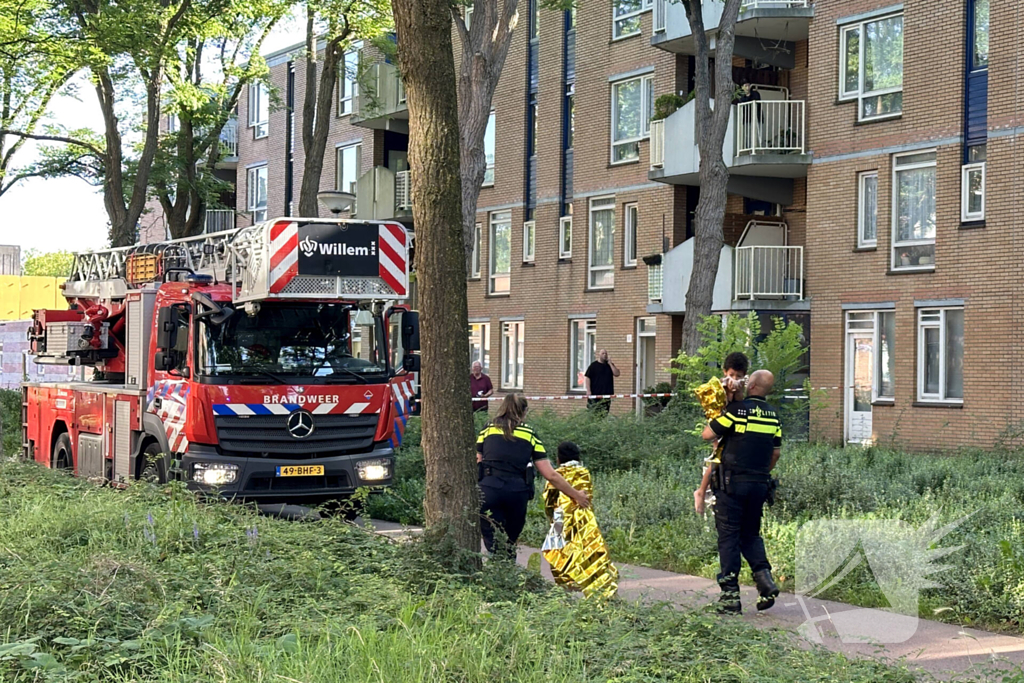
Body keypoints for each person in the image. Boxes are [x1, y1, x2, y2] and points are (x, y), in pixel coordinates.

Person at [702, 369, 782, 614]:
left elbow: (708, 434)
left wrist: (724, 404)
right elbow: (776, 452)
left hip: (732, 485)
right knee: (750, 533)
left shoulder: (737, 412)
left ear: (753, 385)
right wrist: (760, 473)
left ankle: (730, 597)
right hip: (759, 485)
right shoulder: (773, 416)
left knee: (728, 538)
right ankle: (764, 579)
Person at [477, 394, 591, 558]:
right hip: (516, 492)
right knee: (510, 541)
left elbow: (477, 461)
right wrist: (577, 495)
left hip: (489, 489)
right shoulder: (529, 433)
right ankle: (507, 572)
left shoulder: (487, 429)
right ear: (524, 412)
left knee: (492, 540)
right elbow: (550, 474)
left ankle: (496, 572)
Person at [541, 441, 618, 600]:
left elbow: (549, 500)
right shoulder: (584, 472)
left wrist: (551, 517)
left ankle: (564, 591)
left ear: (558, 459)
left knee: (560, 554)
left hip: (560, 520)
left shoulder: (556, 475)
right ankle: (597, 591)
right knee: (590, 553)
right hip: (585, 520)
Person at [694, 352, 749, 515]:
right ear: (725, 371)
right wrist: (727, 392)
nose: (734, 378)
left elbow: (740, 405)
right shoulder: (717, 386)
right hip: (718, 422)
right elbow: (711, 407)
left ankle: (713, 491)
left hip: (733, 424)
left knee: (725, 459)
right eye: (731, 374)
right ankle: (701, 491)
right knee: (718, 456)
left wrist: (738, 392)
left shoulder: (741, 387)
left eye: (738, 376)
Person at [584, 349, 620, 415]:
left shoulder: (609, 366)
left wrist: (610, 364)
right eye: (603, 353)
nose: (605, 355)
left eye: (606, 353)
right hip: (595, 394)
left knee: (604, 413)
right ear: (599, 355)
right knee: (594, 413)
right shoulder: (593, 366)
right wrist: (588, 390)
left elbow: (617, 373)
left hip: (607, 394)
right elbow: (587, 377)